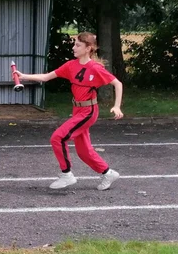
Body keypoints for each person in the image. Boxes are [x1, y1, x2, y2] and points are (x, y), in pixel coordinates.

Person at [14, 32, 124, 190]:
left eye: (78, 45)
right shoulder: (71, 65)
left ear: (88, 48)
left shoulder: (95, 68)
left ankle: (66, 174)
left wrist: (117, 106)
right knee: (83, 151)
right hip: (78, 110)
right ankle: (108, 173)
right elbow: (46, 77)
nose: (74, 47)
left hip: (88, 111)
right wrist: (23, 76)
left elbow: (117, 84)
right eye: (74, 44)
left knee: (57, 138)